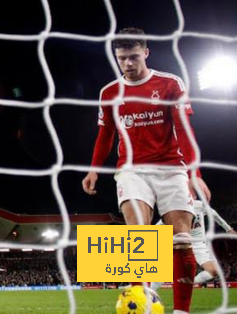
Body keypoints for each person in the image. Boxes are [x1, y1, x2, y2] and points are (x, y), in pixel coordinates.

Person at [82, 27, 212, 314]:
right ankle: (139, 305)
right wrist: (93, 170)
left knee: (181, 239)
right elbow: (105, 136)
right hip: (132, 171)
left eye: (133, 57)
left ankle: (181, 310)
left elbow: (183, 130)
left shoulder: (169, 84)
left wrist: (195, 173)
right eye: (122, 58)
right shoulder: (110, 92)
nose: (128, 64)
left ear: (146, 53)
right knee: (138, 237)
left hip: (171, 168)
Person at [151, 200, 236, 290]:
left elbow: (215, 215)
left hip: (198, 243)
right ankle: (149, 293)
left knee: (213, 271)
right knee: (163, 271)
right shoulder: (174, 209)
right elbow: (160, 224)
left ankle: (190, 283)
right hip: (180, 242)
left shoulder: (199, 205)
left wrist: (229, 229)